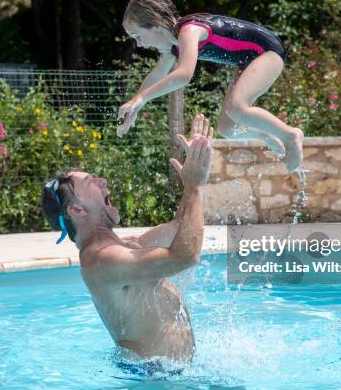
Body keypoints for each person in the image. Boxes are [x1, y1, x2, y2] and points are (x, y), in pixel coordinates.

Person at [41, 114, 214, 367]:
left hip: (170, 375)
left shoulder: (126, 246)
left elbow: (182, 227)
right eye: (91, 182)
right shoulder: (102, 261)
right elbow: (186, 255)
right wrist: (195, 188)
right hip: (152, 379)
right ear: (77, 210)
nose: (103, 181)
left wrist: (195, 175)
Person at [117, 0, 304, 173]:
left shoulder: (188, 30)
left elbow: (184, 74)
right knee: (228, 128)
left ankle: (290, 135)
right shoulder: (172, 47)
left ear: (156, 24)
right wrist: (136, 104)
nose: (139, 44)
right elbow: (157, 74)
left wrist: (142, 98)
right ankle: (266, 135)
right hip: (247, 61)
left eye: (137, 36)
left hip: (267, 52)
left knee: (237, 107)